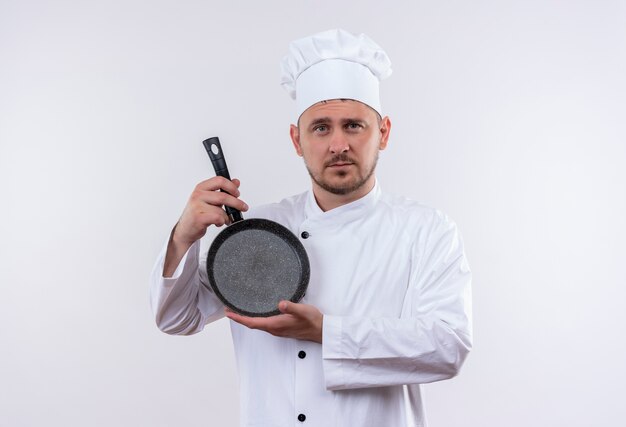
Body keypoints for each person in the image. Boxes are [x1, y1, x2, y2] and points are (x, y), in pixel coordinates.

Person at [151, 29, 472, 427]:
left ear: (383, 133)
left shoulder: (426, 230)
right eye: (321, 128)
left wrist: (327, 332)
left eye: (354, 125)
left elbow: (448, 347)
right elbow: (176, 319)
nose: (338, 144)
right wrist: (184, 236)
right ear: (296, 140)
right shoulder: (258, 234)